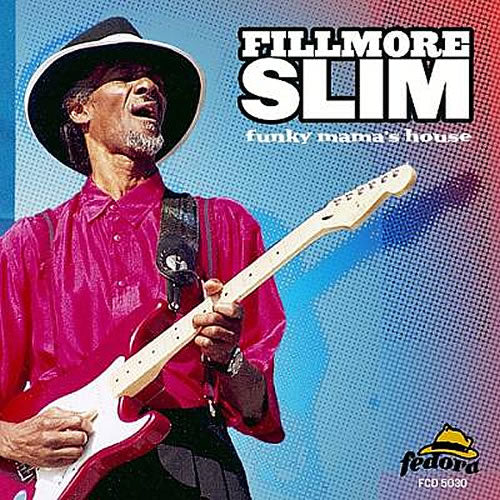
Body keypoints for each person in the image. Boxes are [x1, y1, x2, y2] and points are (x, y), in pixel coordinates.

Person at [0, 17, 286, 499]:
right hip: (69, 472)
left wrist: (228, 357)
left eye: (154, 81)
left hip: (193, 462)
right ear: (79, 109)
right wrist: (11, 440)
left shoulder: (223, 225)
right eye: (126, 75)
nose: (149, 86)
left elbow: (255, 406)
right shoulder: (30, 244)